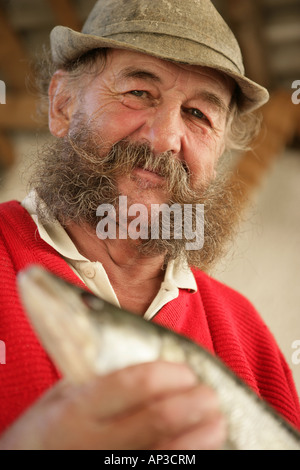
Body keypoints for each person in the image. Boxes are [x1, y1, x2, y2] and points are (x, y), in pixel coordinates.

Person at [0, 0, 299, 450]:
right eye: (139, 92)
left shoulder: (247, 334)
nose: (164, 139)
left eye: (199, 114)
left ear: (218, 156)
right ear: (62, 105)